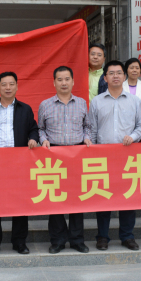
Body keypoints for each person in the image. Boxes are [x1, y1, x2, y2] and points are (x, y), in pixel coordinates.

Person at [0, 71, 39, 255]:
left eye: (11, 84)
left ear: (17, 86)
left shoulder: (25, 109)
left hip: (19, 164)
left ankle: (19, 242)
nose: (8, 88)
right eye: (4, 84)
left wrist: (33, 139)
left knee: (20, 203)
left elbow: (33, 129)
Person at [88, 60, 141, 251]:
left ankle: (127, 236)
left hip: (127, 157)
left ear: (124, 76)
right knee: (103, 197)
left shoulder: (134, 101)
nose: (115, 76)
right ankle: (102, 236)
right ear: (105, 78)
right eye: (111, 73)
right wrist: (92, 149)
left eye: (119, 73)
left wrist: (133, 136)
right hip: (103, 158)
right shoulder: (96, 101)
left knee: (127, 197)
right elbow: (92, 129)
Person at [38, 66, 92, 254]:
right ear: (54, 82)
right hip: (54, 156)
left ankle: (77, 240)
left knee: (76, 199)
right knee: (56, 200)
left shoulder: (82, 103)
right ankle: (58, 240)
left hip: (77, 154)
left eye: (67, 79)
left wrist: (87, 137)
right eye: (60, 79)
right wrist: (43, 140)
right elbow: (40, 128)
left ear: (73, 81)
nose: (63, 83)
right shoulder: (45, 105)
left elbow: (88, 126)